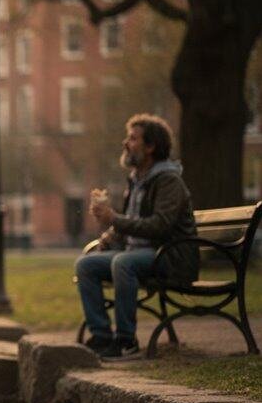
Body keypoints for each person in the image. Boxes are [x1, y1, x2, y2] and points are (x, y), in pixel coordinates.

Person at [75, 114, 198, 361]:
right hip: (139, 255)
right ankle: (101, 336)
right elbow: (133, 223)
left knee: (122, 263)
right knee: (85, 265)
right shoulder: (137, 179)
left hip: (170, 256)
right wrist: (110, 236)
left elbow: (159, 227)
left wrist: (114, 218)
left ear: (150, 147)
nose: (126, 143)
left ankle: (126, 341)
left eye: (133, 138)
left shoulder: (168, 180)